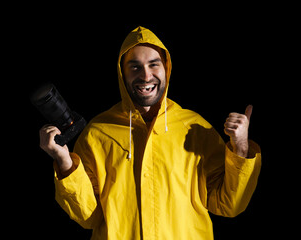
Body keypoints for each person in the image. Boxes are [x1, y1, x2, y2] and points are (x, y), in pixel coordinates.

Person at [39, 26, 261, 240]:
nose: (146, 76)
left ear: (166, 68)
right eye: (134, 66)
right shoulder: (98, 133)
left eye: (153, 64)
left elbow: (228, 204)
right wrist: (64, 160)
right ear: (122, 73)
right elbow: (88, 217)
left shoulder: (196, 130)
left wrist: (240, 146)